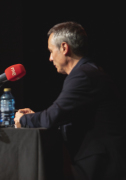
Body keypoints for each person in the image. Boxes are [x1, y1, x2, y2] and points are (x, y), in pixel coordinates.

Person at [14, 22, 126, 179]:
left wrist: (24, 119)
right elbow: (62, 114)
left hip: (101, 167)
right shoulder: (88, 71)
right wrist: (37, 116)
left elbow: (52, 117)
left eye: (51, 51)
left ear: (64, 48)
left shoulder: (82, 76)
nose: (50, 58)